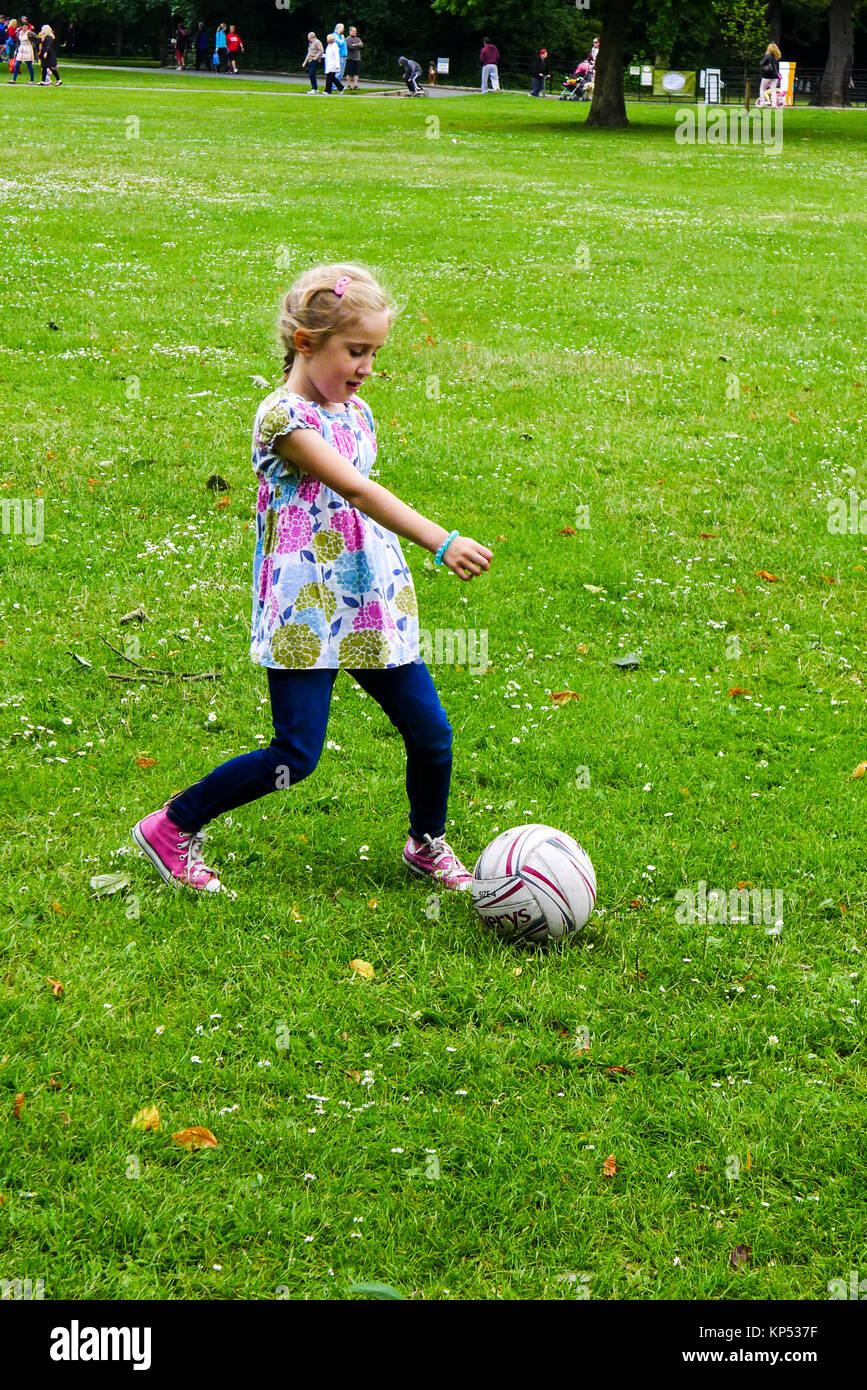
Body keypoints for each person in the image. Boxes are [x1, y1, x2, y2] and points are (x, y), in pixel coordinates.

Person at [132, 261, 493, 897]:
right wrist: (444, 542)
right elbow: (353, 486)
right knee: (295, 755)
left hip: (369, 600)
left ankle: (426, 842)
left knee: (431, 733)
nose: (365, 368)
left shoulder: (354, 410)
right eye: (355, 351)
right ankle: (172, 826)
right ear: (305, 342)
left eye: (374, 353)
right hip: (306, 607)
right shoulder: (283, 420)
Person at [9, 18, 34, 83]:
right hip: (21, 49)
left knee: (29, 65)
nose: (25, 28)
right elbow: (17, 42)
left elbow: (36, 39)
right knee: (17, 64)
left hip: (27, 49)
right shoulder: (19, 33)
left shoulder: (29, 33)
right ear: (22, 27)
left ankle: (32, 80)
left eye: (26, 27)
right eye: (24, 27)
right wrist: (16, 50)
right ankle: (13, 79)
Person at [344, 25, 362, 90]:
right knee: (349, 73)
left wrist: (355, 45)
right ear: (350, 31)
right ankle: (348, 85)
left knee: (356, 73)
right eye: (353, 31)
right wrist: (357, 45)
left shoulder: (358, 39)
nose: (355, 32)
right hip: (350, 58)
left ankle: (355, 85)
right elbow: (349, 46)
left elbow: (361, 45)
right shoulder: (347, 39)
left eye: (355, 31)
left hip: (357, 58)